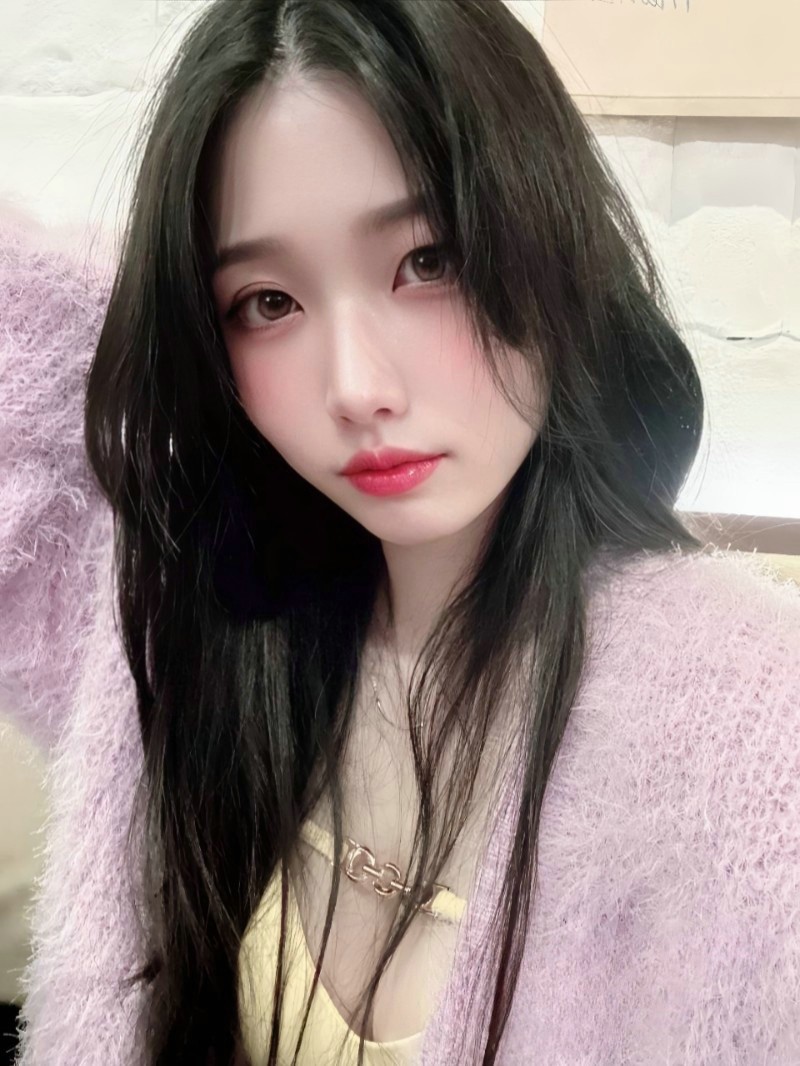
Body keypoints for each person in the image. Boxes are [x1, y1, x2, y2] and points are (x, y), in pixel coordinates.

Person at [1, 1, 799, 1064]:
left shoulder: (748, 739)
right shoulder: (193, 613)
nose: (355, 386)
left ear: (549, 235)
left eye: (427, 261)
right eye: (268, 302)